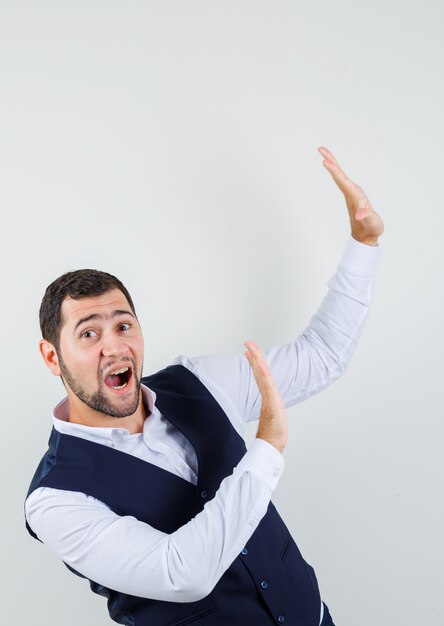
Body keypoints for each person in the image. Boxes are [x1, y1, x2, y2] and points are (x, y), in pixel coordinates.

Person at [24, 147, 384, 626]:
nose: (114, 346)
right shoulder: (55, 500)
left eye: (123, 325)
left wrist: (363, 242)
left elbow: (320, 356)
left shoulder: (197, 382)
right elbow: (182, 573)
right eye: (88, 333)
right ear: (53, 356)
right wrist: (268, 447)